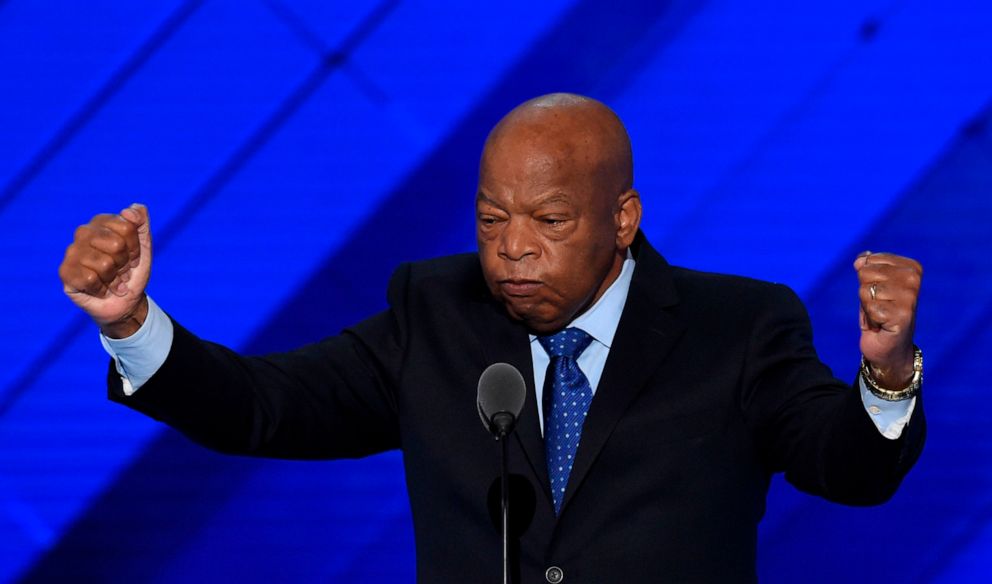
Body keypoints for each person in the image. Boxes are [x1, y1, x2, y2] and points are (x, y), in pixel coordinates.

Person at [58, 93, 925, 583]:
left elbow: (844, 466)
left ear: (622, 219)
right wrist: (133, 323)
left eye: (549, 219)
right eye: (490, 218)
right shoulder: (435, 314)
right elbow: (264, 408)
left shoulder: (736, 327)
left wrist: (884, 378)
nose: (513, 247)